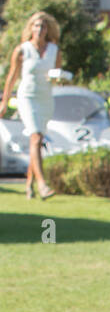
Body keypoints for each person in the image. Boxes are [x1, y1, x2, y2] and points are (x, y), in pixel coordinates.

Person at [0, 11, 61, 198]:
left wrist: (57, 78)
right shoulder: (22, 50)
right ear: (31, 28)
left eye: (43, 26)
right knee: (35, 137)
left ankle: (29, 184)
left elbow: (57, 72)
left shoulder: (53, 50)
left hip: (45, 97)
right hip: (27, 96)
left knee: (38, 140)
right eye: (36, 26)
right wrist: (4, 102)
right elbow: (12, 76)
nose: (40, 29)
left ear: (47, 29)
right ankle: (42, 185)